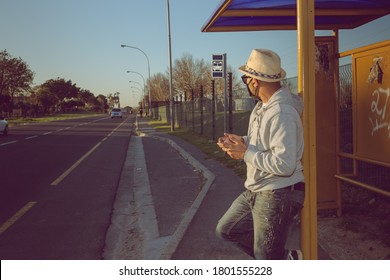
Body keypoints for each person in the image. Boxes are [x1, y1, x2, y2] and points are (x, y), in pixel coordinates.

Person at [215, 49, 305, 260]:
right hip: (259, 188)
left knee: (265, 258)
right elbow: (265, 142)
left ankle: (281, 259)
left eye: (245, 78)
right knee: (226, 229)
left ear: (254, 81)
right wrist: (241, 141)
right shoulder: (262, 107)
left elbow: (285, 165)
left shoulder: (282, 112)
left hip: (279, 192)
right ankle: (285, 259)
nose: (245, 83)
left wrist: (245, 154)